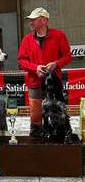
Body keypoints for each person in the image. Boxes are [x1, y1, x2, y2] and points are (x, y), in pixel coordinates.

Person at [18, 7, 72, 137]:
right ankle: (36, 141)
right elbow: (21, 61)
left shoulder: (59, 35)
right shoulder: (26, 39)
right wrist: (35, 68)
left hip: (54, 83)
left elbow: (68, 56)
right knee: (36, 116)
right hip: (35, 83)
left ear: (44, 20)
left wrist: (56, 64)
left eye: (33, 20)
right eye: (30, 20)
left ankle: (59, 137)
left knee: (58, 114)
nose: (30, 23)